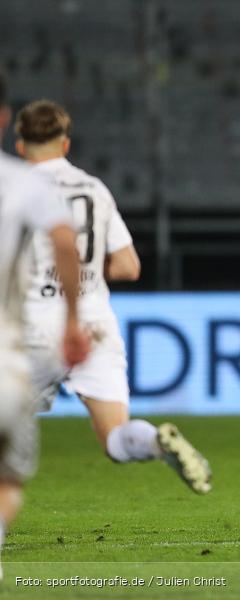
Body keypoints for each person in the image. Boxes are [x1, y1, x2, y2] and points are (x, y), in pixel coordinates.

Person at [15, 100, 212, 495]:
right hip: (94, 325)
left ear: (20, 145)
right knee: (116, 437)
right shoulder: (94, 189)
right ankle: (156, 441)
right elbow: (127, 266)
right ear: (66, 143)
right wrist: (81, 273)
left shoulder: (14, 186)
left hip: (33, 325)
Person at [0, 73, 90, 577]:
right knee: (8, 481)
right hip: (7, 359)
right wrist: (74, 323)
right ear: (3, 118)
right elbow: (63, 243)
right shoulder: (26, 181)